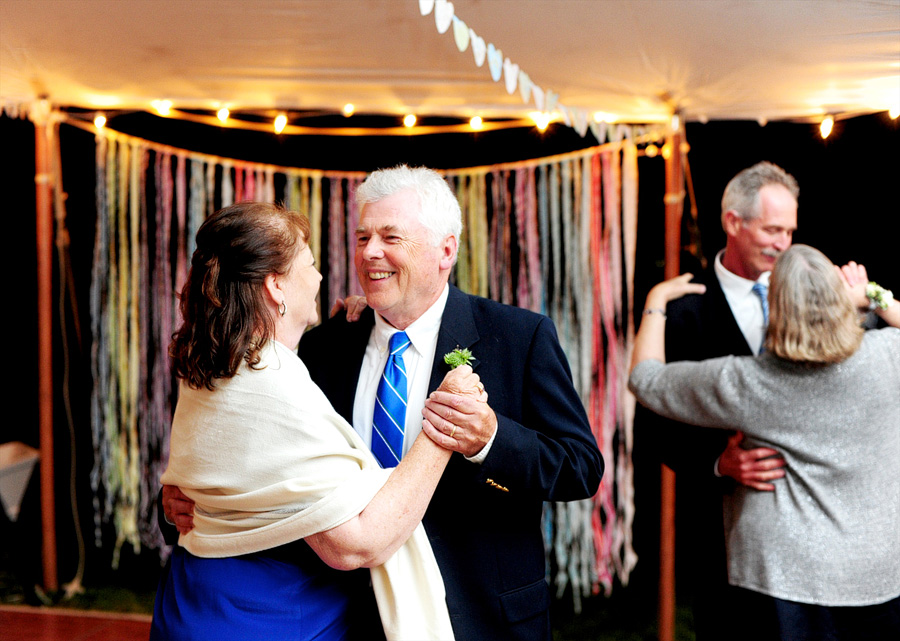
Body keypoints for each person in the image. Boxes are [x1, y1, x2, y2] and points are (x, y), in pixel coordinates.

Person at [162, 165, 603, 641]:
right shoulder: (322, 346)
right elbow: (253, 455)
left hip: (477, 617)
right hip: (347, 615)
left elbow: (581, 466)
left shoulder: (518, 337)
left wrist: (490, 440)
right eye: (362, 236)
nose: (370, 252)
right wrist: (184, 501)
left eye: (390, 237)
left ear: (446, 250)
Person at [151, 201, 481, 641]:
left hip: (197, 603)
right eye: (309, 264)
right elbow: (359, 541)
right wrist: (444, 428)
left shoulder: (219, 361)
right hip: (265, 618)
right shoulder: (269, 384)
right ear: (276, 287)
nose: (321, 278)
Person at [629, 244, 900, 641]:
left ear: (775, 309)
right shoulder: (887, 356)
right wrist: (872, 294)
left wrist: (655, 303)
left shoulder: (749, 381)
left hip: (781, 579)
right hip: (876, 571)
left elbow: (645, 379)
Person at [638, 160, 797, 636]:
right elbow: (654, 424)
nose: (783, 243)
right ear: (733, 222)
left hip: (809, 530)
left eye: (789, 231)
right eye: (772, 229)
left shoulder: (810, 299)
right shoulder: (684, 311)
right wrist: (717, 463)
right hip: (723, 533)